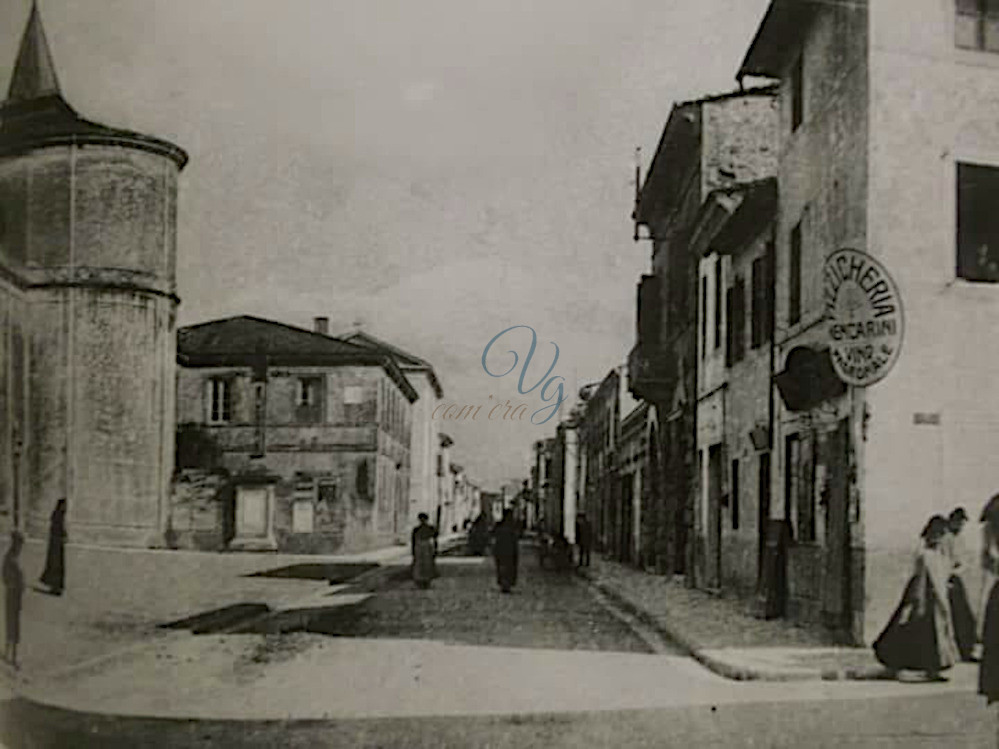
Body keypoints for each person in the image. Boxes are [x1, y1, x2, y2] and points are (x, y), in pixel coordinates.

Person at [873, 515, 958, 681]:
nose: (941, 539)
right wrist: (919, 602)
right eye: (939, 535)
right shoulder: (924, 556)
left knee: (933, 634)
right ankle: (923, 667)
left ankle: (933, 669)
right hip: (926, 599)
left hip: (936, 599)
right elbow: (920, 580)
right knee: (925, 634)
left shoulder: (938, 556)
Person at [943, 507, 977, 661]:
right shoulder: (945, 537)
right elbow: (943, 560)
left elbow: (963, 560)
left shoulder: (959, 539)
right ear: (952, 521)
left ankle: (966, 650)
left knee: (965, 616)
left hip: (956, 578)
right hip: (946, 578)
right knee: (952, 616)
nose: (961, 527)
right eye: (959, 523)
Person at [3, 532, 24, 669]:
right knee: (13, 625)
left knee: (11, 623)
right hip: (13, 595)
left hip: (14, 594)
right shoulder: (11, 559)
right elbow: (6, 577)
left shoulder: (9, 557)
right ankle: (13, 657)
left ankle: (8, 653)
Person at [40, 498, 67, 596]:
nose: (65, 507)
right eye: (64, 505)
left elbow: (61, 529)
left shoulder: (60, 515)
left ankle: (57, 587)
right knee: (55, 565)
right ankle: (54, 587)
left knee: (58, 565)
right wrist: (61, 536)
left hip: (58, 545)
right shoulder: (57, 515)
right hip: (55, 545)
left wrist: (64, 535)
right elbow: (56, 529)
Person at [493, 509, 519, 593]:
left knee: (504, 568)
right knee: (507, 567)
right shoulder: (510, 526)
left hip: (504, 550)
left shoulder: (502, 525)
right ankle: (506, 584)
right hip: (507, 550)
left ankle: (505, 584)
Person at [411, 513, 437, 590]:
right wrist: (413, 550)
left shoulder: (431, 528)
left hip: (427, 546)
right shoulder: (416, 529)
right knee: (419, 564)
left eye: (424, 519)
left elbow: (435, 539)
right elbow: (413, 540)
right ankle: (419, 581)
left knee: (427, 564)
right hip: (419, 546)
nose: (422, 521)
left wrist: (435, 549)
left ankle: (427, 580)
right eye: (421, 519)